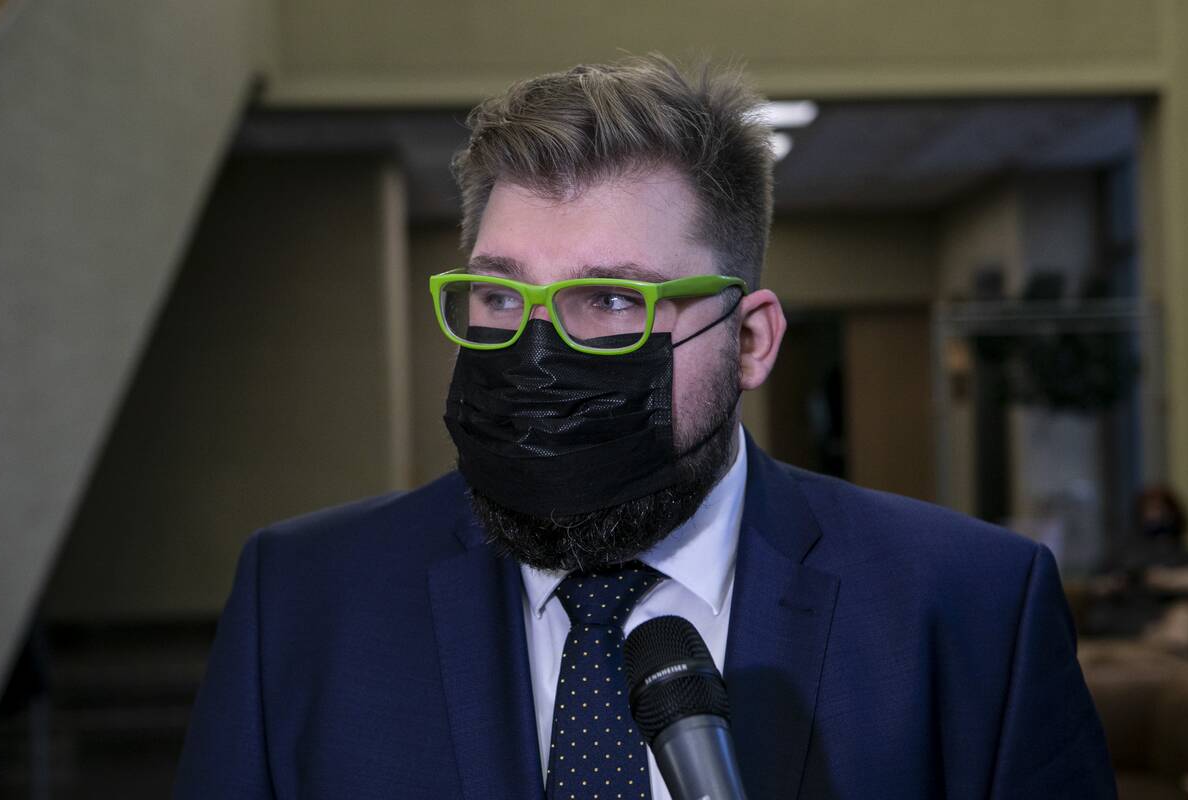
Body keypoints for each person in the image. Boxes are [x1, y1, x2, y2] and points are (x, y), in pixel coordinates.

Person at [174, 55, 1115, 799]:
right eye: (500, 296)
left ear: (750, 341)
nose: (537, 350)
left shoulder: (969, 611)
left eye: (614, 300)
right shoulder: (302, 601)